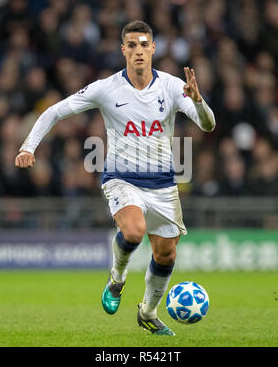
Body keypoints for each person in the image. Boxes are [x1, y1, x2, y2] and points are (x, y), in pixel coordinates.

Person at [15, 20, 215, 336]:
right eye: (131, 45)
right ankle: (117, 279)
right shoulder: (106, 88)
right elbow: (54, 111)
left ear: (153, 49)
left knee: (166, 253)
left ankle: (148, 312)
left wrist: (199, 101)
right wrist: (28, 146)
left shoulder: (174, 86)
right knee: (134, 232)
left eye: (144, 45)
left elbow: (207, 126)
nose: (138, 51)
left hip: (163, 183)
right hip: (121, 178)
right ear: (123, 50)